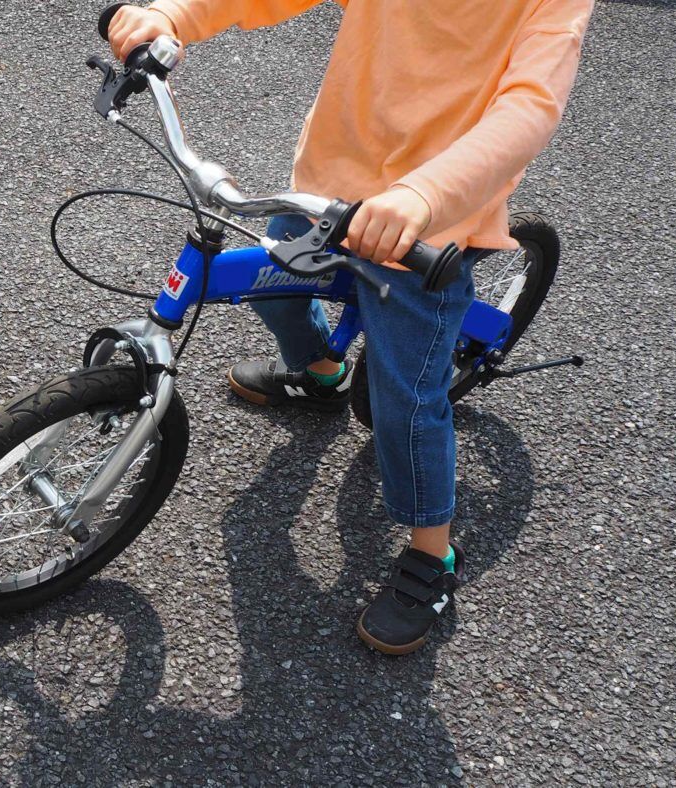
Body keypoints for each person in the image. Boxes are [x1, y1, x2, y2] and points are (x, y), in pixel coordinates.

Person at [108, 0, 592, 654]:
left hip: (431, 220)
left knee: (404, 407)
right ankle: (321, 370)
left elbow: (530, 106)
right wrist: (173, 15)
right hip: (331, 185)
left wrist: (423, 196)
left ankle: (431, 555)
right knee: (267, 289)